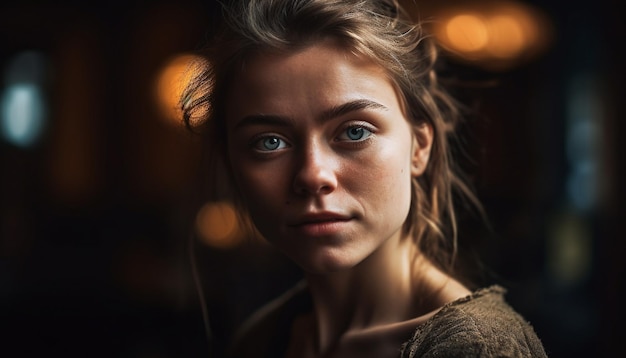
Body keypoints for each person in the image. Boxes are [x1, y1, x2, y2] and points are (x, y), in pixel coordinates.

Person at [180, 0, 548, 357]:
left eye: (355, 132)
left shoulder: (477, 350)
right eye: (269, 142)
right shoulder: (262, 339)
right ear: (231, 165)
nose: (312, 175)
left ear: (419, 146)